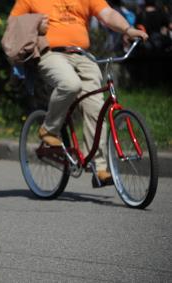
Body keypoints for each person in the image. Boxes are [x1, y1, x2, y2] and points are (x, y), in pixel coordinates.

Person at [9, 0, 148, 186]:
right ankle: (49, 129)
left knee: (96, 107)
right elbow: (13, 23)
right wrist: (34, 23)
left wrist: (128, 30)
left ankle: (99, 168)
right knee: (70, 84)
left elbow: (107, 14)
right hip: (49, 53)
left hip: (83, 55)